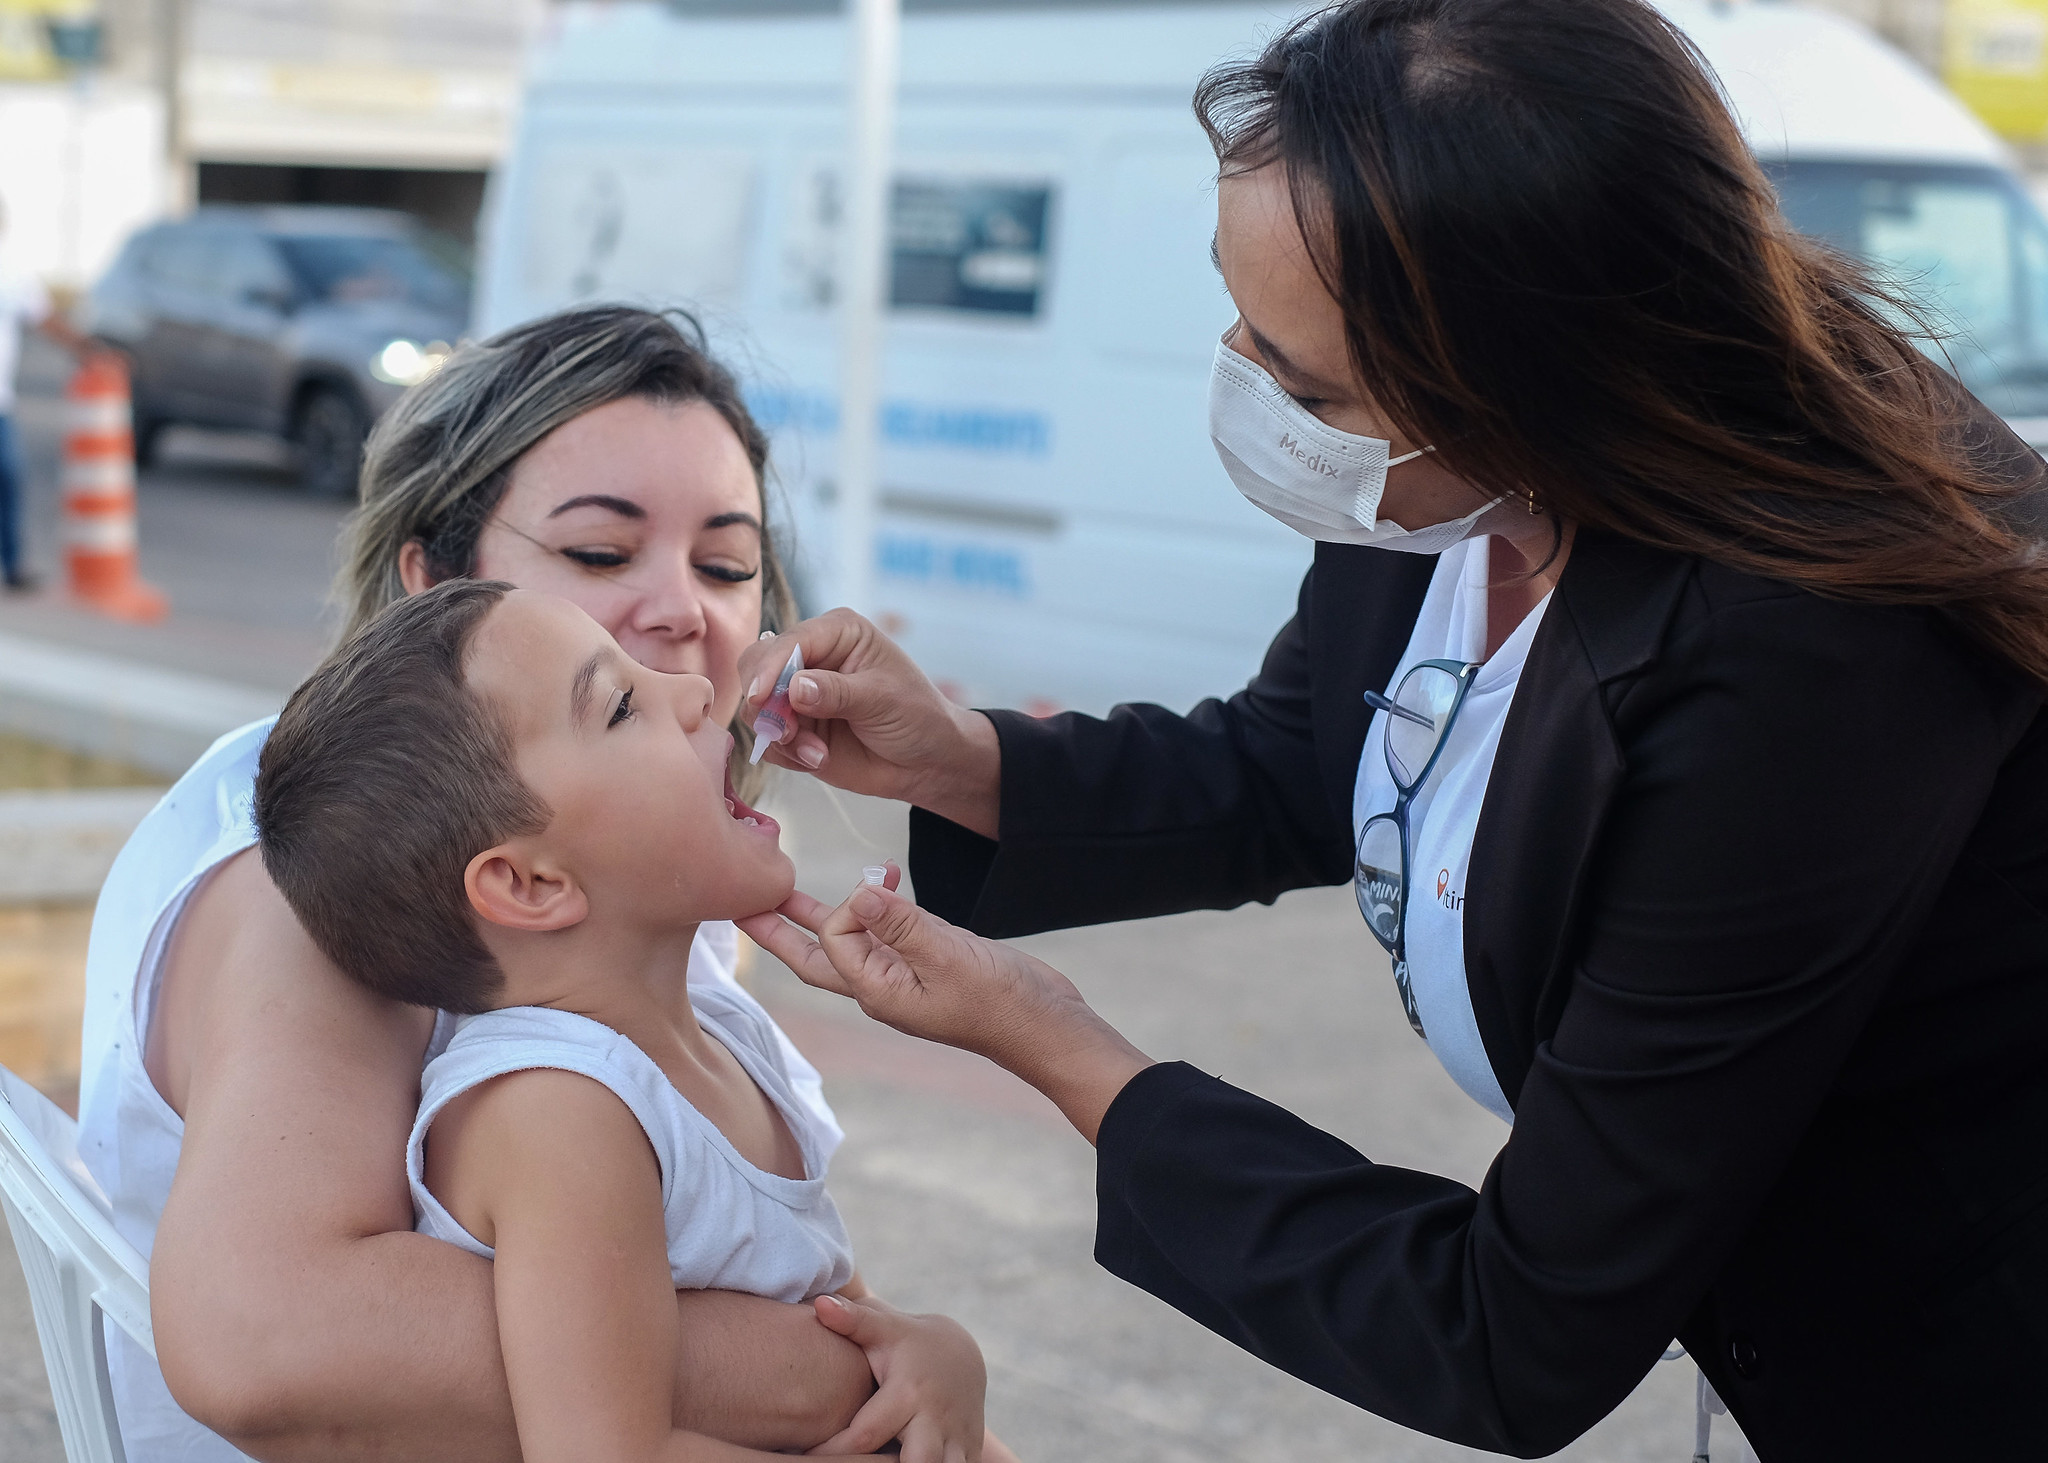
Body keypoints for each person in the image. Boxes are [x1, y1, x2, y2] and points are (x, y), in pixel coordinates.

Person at [735, 0, 2048, 1456]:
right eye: (1236, 314)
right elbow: (1316, 750)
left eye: (1303, 382)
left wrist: (1072, 1057)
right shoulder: (1452, 478)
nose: (1246, 379)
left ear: (1525, 388)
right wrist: (969, 763)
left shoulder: (1802, 665)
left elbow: (1513, 1330)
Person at [76, 306, 935, 1462]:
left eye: (730, 564)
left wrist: (911, 1352)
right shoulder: (323, 877)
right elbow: (262, 1338)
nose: (686, 613)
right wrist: (835, 1372)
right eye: (598, 552)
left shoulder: (629, 899)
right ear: (431, 580)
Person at [254, 580, 1005, 1463]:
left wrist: (929, 1350)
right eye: (620, 705)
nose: (692, 691)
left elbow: (840, 1316)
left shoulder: (721, 1026)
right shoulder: (560, 1113)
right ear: (530, 885)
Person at [0, 191, 95, 591]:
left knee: (10, 476)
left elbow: (46, 319)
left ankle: (14, 564)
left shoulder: (10, 273)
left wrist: (90, 351)